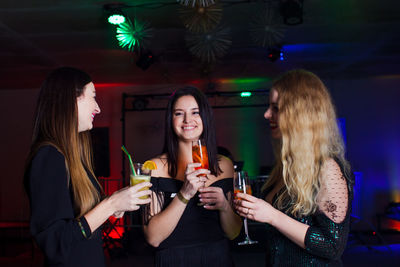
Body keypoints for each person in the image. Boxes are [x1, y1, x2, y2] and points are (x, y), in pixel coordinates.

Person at [24, 67, 152, 267]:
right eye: (93, 96)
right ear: (72, 100)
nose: (98, 108)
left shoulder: (72, 157)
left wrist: (112, 206)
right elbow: (55, 243)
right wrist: (109, 205)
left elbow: (77, 224)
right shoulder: (49, 157)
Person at [234, 69, 354, 266]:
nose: (266, 114)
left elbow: (333, 247)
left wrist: (272, 216)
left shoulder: (328, 169)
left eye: (276, 108)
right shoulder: (287, 165)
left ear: (300, 113)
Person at [142, 86, 242, 267]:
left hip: (218, 258)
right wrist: (184, 194)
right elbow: (153, 238)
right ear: (170, 120)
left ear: (205, 118)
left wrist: (225, 207)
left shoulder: (225, 165)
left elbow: (233, 233)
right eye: (179, 113)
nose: (188, 120)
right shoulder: (154, 167)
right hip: (173, 260)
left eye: (195, 112)